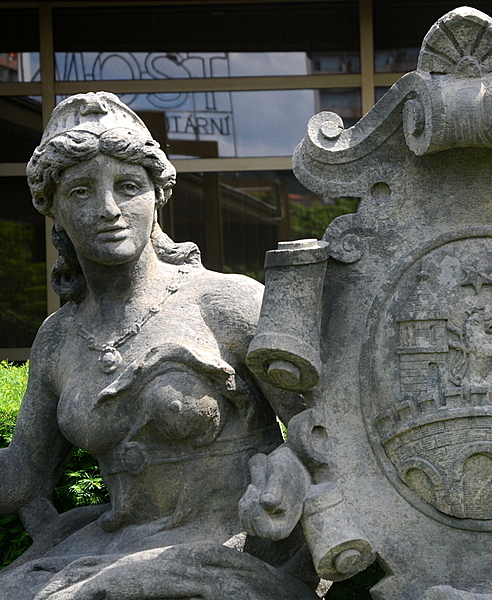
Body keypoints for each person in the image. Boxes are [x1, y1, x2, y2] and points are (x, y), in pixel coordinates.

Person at [0, 92, 314, 600]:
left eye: (128, 187)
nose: (108, 210)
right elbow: (21, 477)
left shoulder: (225, 302)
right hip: (115, 545)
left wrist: (285, 474)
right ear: (52, 208)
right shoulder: (57, 336)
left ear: (156, 195)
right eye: (80, 192)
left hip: (235, 549)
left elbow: (320, 431)